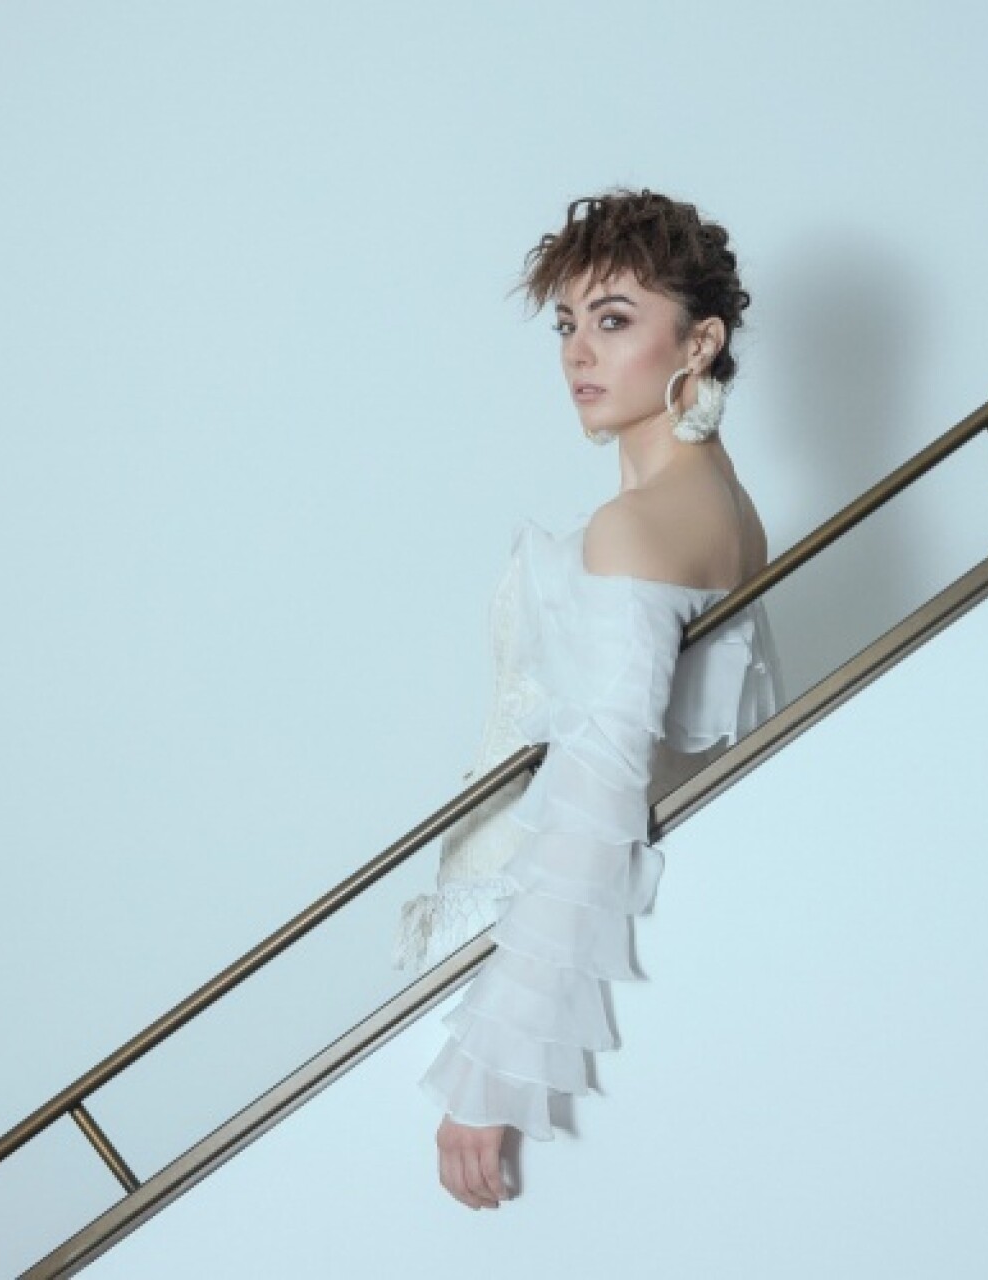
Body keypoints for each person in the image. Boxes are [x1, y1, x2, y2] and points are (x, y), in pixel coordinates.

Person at [391, 187, 784, 1211]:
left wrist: (489, 1071)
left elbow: (595, 800)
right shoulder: (724, 508)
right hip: (530, 937)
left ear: (699, 342)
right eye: (567, 324)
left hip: (516, 961)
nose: (578, 353)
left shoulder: (639, 527)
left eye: (613, 321)